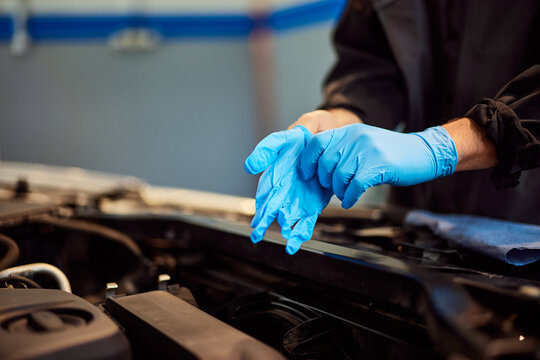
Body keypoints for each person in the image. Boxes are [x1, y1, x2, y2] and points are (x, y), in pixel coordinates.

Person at [245, 0, 540, 255]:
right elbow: (372, 67)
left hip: (527, 223)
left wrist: (443, 146)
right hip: (417, 220)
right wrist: (340, 118)